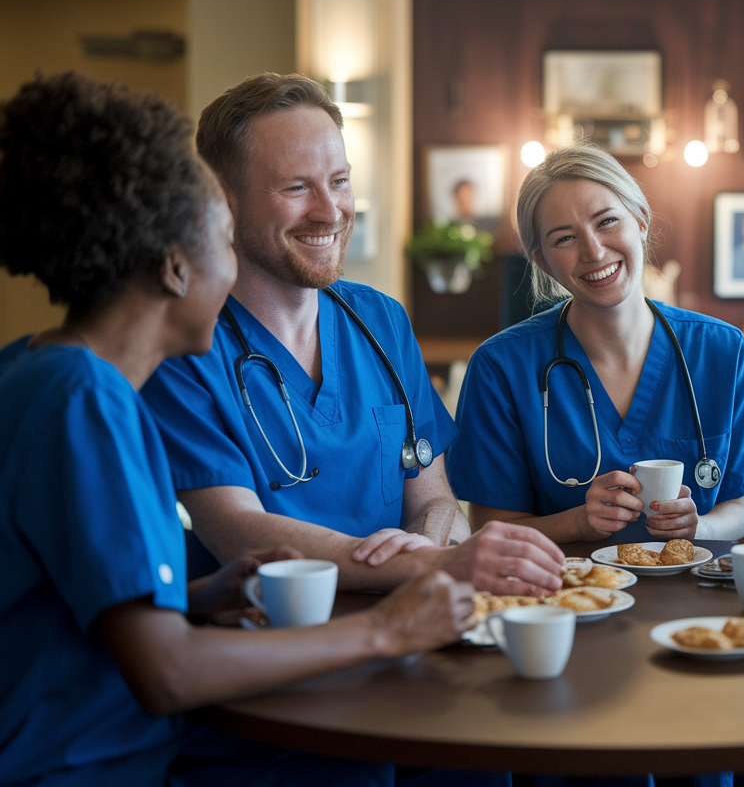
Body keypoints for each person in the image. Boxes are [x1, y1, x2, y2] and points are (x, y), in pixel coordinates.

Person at [0, 72, 474, 787]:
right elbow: (166, 671)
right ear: (173, 266)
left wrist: (205, 596)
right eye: (224, 238)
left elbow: (66, 597)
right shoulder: (88, 400)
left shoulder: (37, 370)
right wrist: (385, 629)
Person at [140, 73, 564, 593]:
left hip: (408, 624)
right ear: (224, 201)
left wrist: (429, 549)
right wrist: (416, 567)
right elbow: (236, 531)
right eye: (297, 187)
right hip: (267, 644)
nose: (331, 210)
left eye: (339, 181)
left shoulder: (381, 321)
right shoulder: (186, 346)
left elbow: (434, 502)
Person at [448, 143, 744, 544]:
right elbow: (491, 529)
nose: (594, 251)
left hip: (695, 599)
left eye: (607, 221)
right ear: (542, 260)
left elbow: (741, 508)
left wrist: (700, 526)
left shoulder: (723, 352)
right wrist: (578, 521)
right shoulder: (501, 367)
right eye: (564, 239)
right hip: (565, 598)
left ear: (641, 219)